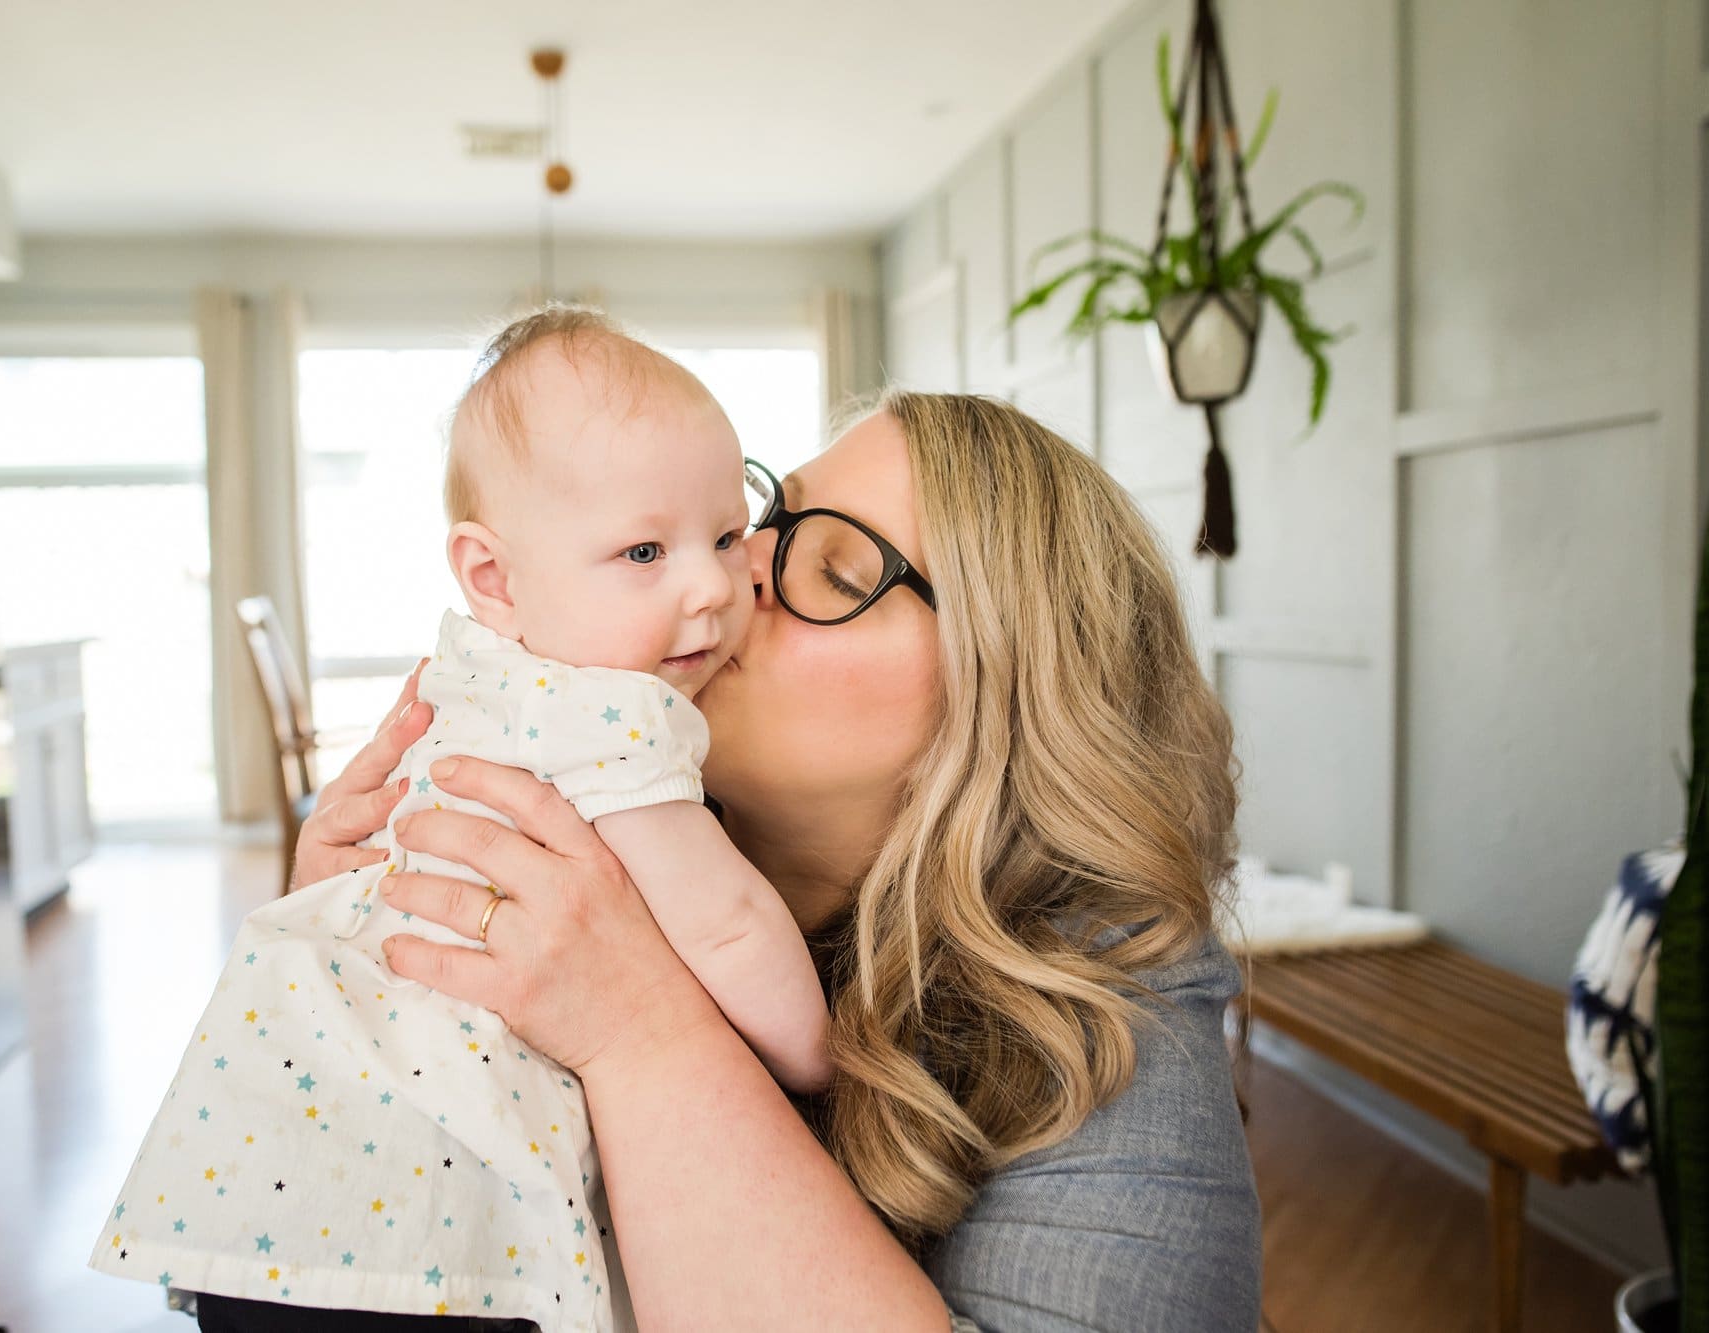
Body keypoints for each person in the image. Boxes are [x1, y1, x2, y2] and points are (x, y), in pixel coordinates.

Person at [292, 389, 1263, 1332]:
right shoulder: (590, 833)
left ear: (1008, 706)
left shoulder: (1106, 1006)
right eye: (762, 518)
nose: (728, 572)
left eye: (835, 572)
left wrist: (639, 1031)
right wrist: (357, 965)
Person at [93, 309, 831, 1331]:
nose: (712, 585)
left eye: (721, 533)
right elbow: (727, 923)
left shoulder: (482, 672)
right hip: (431, 1194)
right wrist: (817, 1058)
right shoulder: (610, 719)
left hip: (292, 1165)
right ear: (491, 576)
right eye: (643, 551)